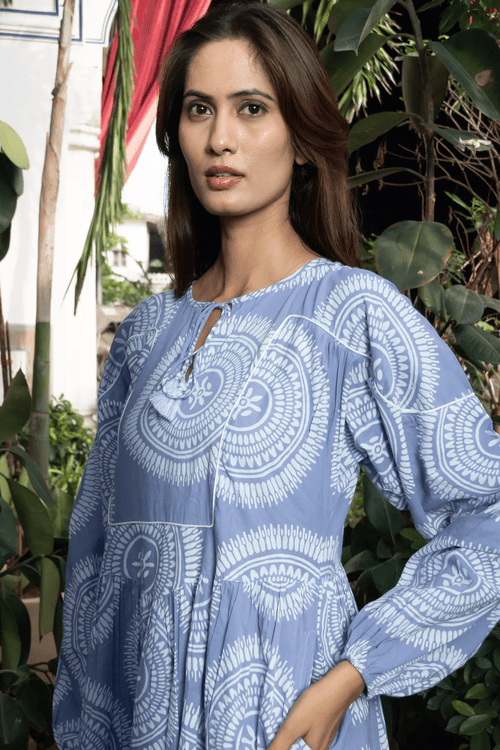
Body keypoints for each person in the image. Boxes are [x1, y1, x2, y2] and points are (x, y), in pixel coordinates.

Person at [52, 3, 500, 749]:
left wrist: (352, 674)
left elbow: (488, 510)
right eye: (199, 109)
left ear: (301, 136)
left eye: (251, 109)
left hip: (286, 721)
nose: (220, 138)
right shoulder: (144, 336)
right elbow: (96, 567)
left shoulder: (351, 313)